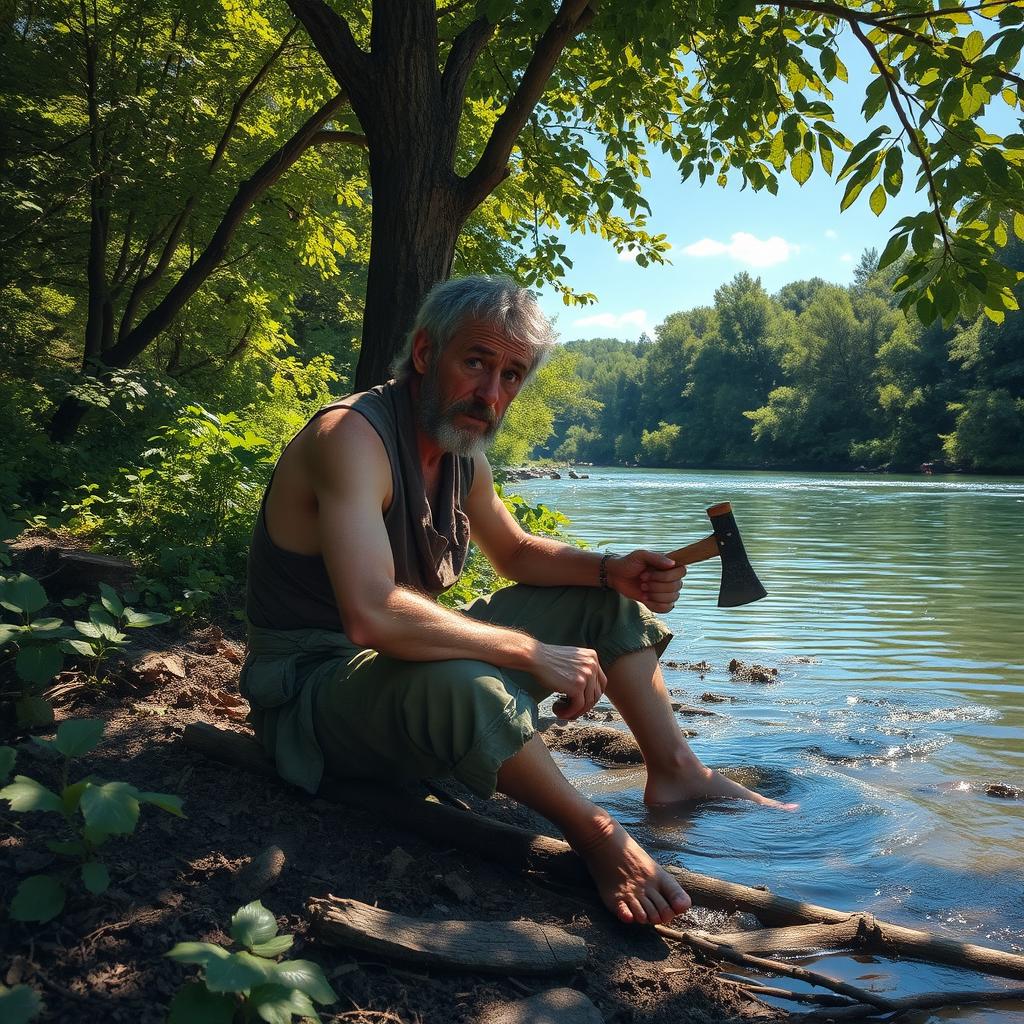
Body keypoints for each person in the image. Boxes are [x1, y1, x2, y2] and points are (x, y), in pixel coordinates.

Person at [241, 275, 794, 928]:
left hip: (389, 669)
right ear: (425, 354)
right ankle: (594, 834)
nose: (491, 393)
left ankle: (676, 771)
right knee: (470, 684)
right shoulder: (351, 439)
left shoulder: (458, 452)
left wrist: (613, 569)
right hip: (312, 692)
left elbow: (517, 552)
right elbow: (372, 612)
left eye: (511, 374)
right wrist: (532, 652)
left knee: (602, 603)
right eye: (475, 363)